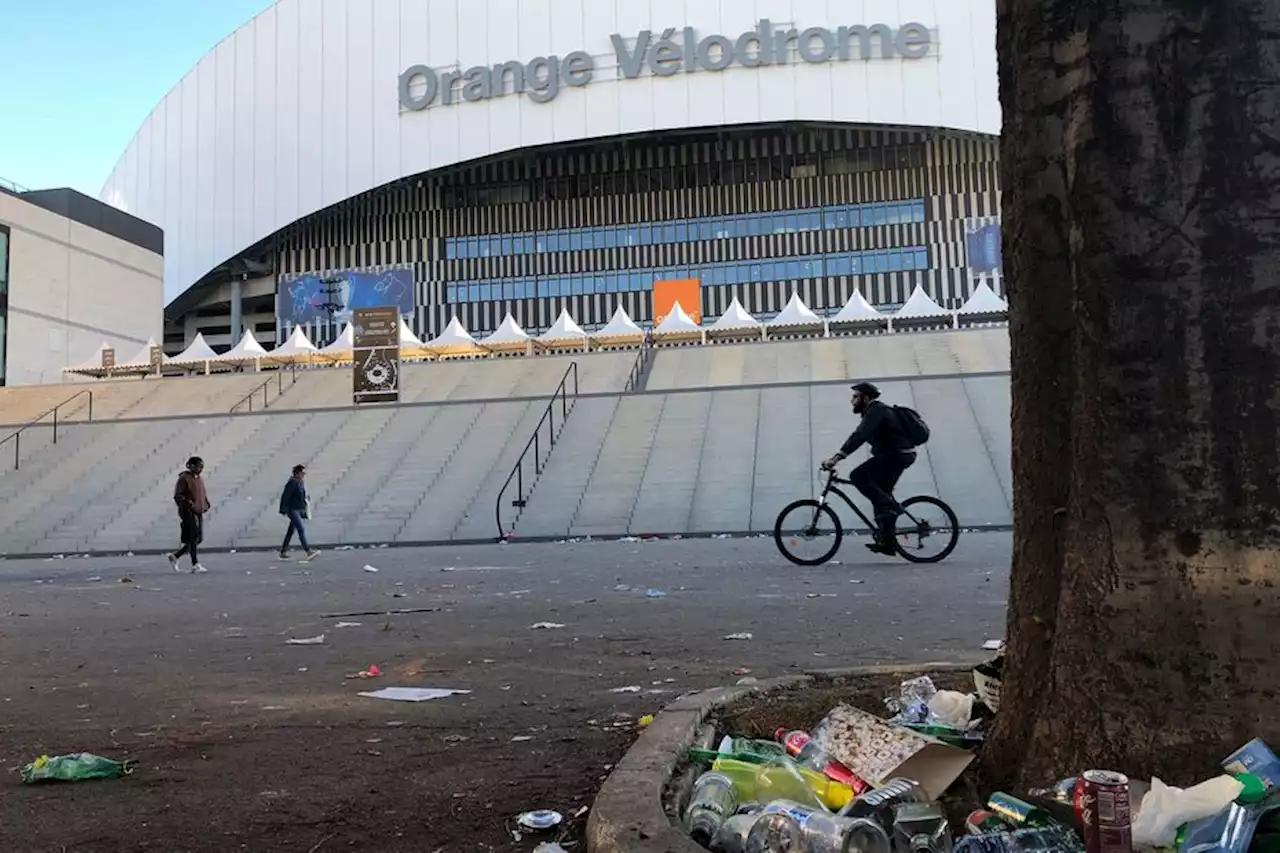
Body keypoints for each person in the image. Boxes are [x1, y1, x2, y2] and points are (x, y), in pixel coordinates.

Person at [821, 382, 918, 554]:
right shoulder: (873, 411)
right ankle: (887, 542)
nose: (852, 400)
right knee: (879, 493)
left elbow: (860, 435)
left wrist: (837, 458)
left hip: (896, 455)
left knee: (858, 476)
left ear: (866, 397)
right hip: (897, 454)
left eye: (855, 396)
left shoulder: (876, 410)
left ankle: (892, 506)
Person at [167, 456, 210, 573]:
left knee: (198, 538)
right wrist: (189, 505)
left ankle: (176, 556)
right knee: (194, 536)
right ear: (190, 466)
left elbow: (201, 494)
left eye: (201, 467)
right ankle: (195, 563)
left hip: (198, 510)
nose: (200, 469)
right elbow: (178, 496)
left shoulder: (199, 479)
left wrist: (205, 504)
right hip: (188, 511)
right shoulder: (184, 479)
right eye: (197, 466)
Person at [279, 464, 320, 561]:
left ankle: (283, 552)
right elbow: (285, 496)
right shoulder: (292, 483)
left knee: (291, 531)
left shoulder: (300, 482)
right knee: (300, 529)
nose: (303, 475)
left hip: (297, 508)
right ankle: (308, 551)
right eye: (302, 473)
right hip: (292, 509)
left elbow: (300, 495)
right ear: (297, 473)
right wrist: (283, 509)